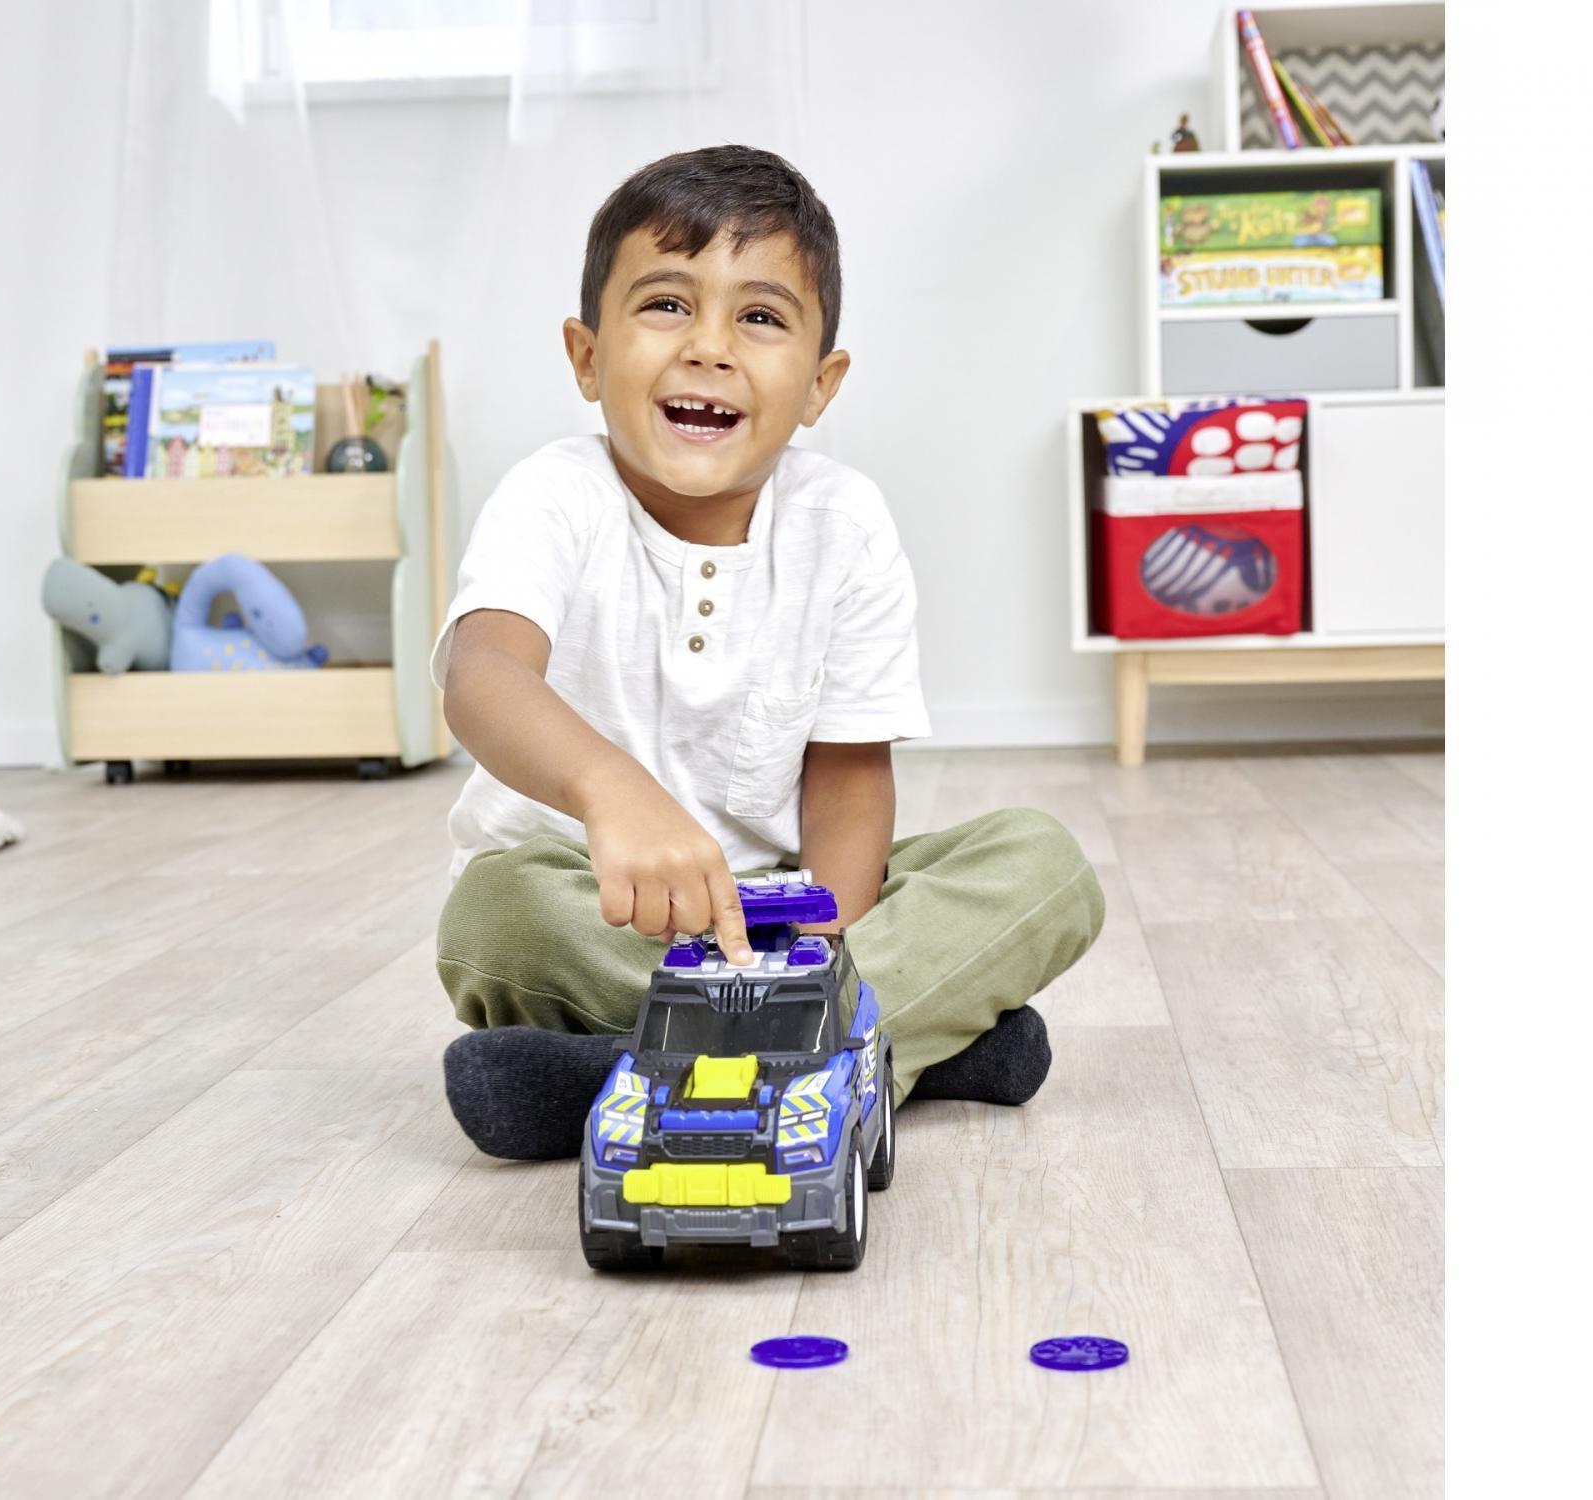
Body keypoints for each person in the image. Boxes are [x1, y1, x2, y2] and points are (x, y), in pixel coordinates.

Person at [431, 145, 1104, 1160]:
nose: (709, 348)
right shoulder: (552, 496)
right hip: (601, 905)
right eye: (666, 305)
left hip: (784, 916)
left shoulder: (846, 522)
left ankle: (639, 1073)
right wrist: (610, 792)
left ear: (820, 384)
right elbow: (481, 674)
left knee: (1042, 864)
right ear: (586, 355)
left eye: (759, 317)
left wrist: (821, 953)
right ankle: (881, 1055)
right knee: (498, 913)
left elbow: (849, 777)